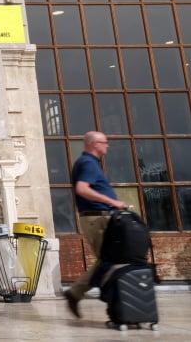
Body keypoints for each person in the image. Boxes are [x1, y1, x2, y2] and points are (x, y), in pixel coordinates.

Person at [64, 130, 128, 318]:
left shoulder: (89, 163)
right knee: (109, 259)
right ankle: (80, 293)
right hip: (97, 218)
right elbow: (82, 189)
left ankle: (82, 293)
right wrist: (112, 202)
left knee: (108, 259)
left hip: (97, 217)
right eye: (104, 142)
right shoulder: (88, 163)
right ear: (94, 144)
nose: (107, 145)